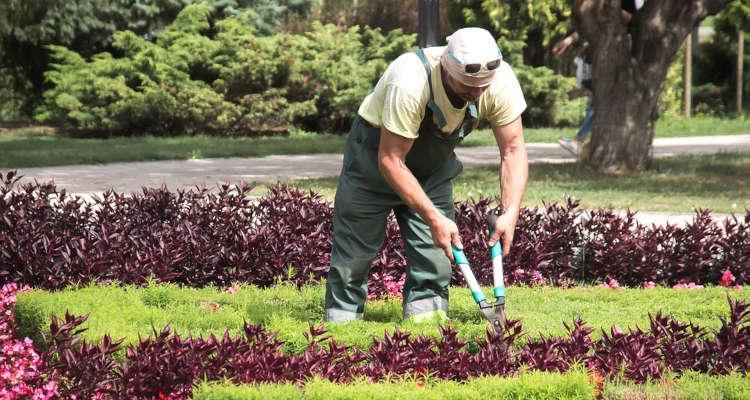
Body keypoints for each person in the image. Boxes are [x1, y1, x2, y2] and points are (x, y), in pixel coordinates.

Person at [324, 27, 528, 323]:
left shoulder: (499, 80)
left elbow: (513, 149)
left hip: (432, 170)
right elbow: (391, 159)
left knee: (435, 257)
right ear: (446, 68)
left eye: (483, 87)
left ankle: (426, 330)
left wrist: (510, 212)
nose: (477, 94)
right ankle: (341, 330)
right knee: (354, 254)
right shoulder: (410, 80)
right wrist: (433, 217)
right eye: (467, 87)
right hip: (374, 163)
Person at [553, 0, 645, 157]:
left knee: (600, 100)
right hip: (605, 55)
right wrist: (568, 40)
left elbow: (633, 20)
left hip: (623, 53)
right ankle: (586, 143)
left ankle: (580, 141)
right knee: (599, 98)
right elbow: (591, 26)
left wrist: (610, 9)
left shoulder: (627, 3)